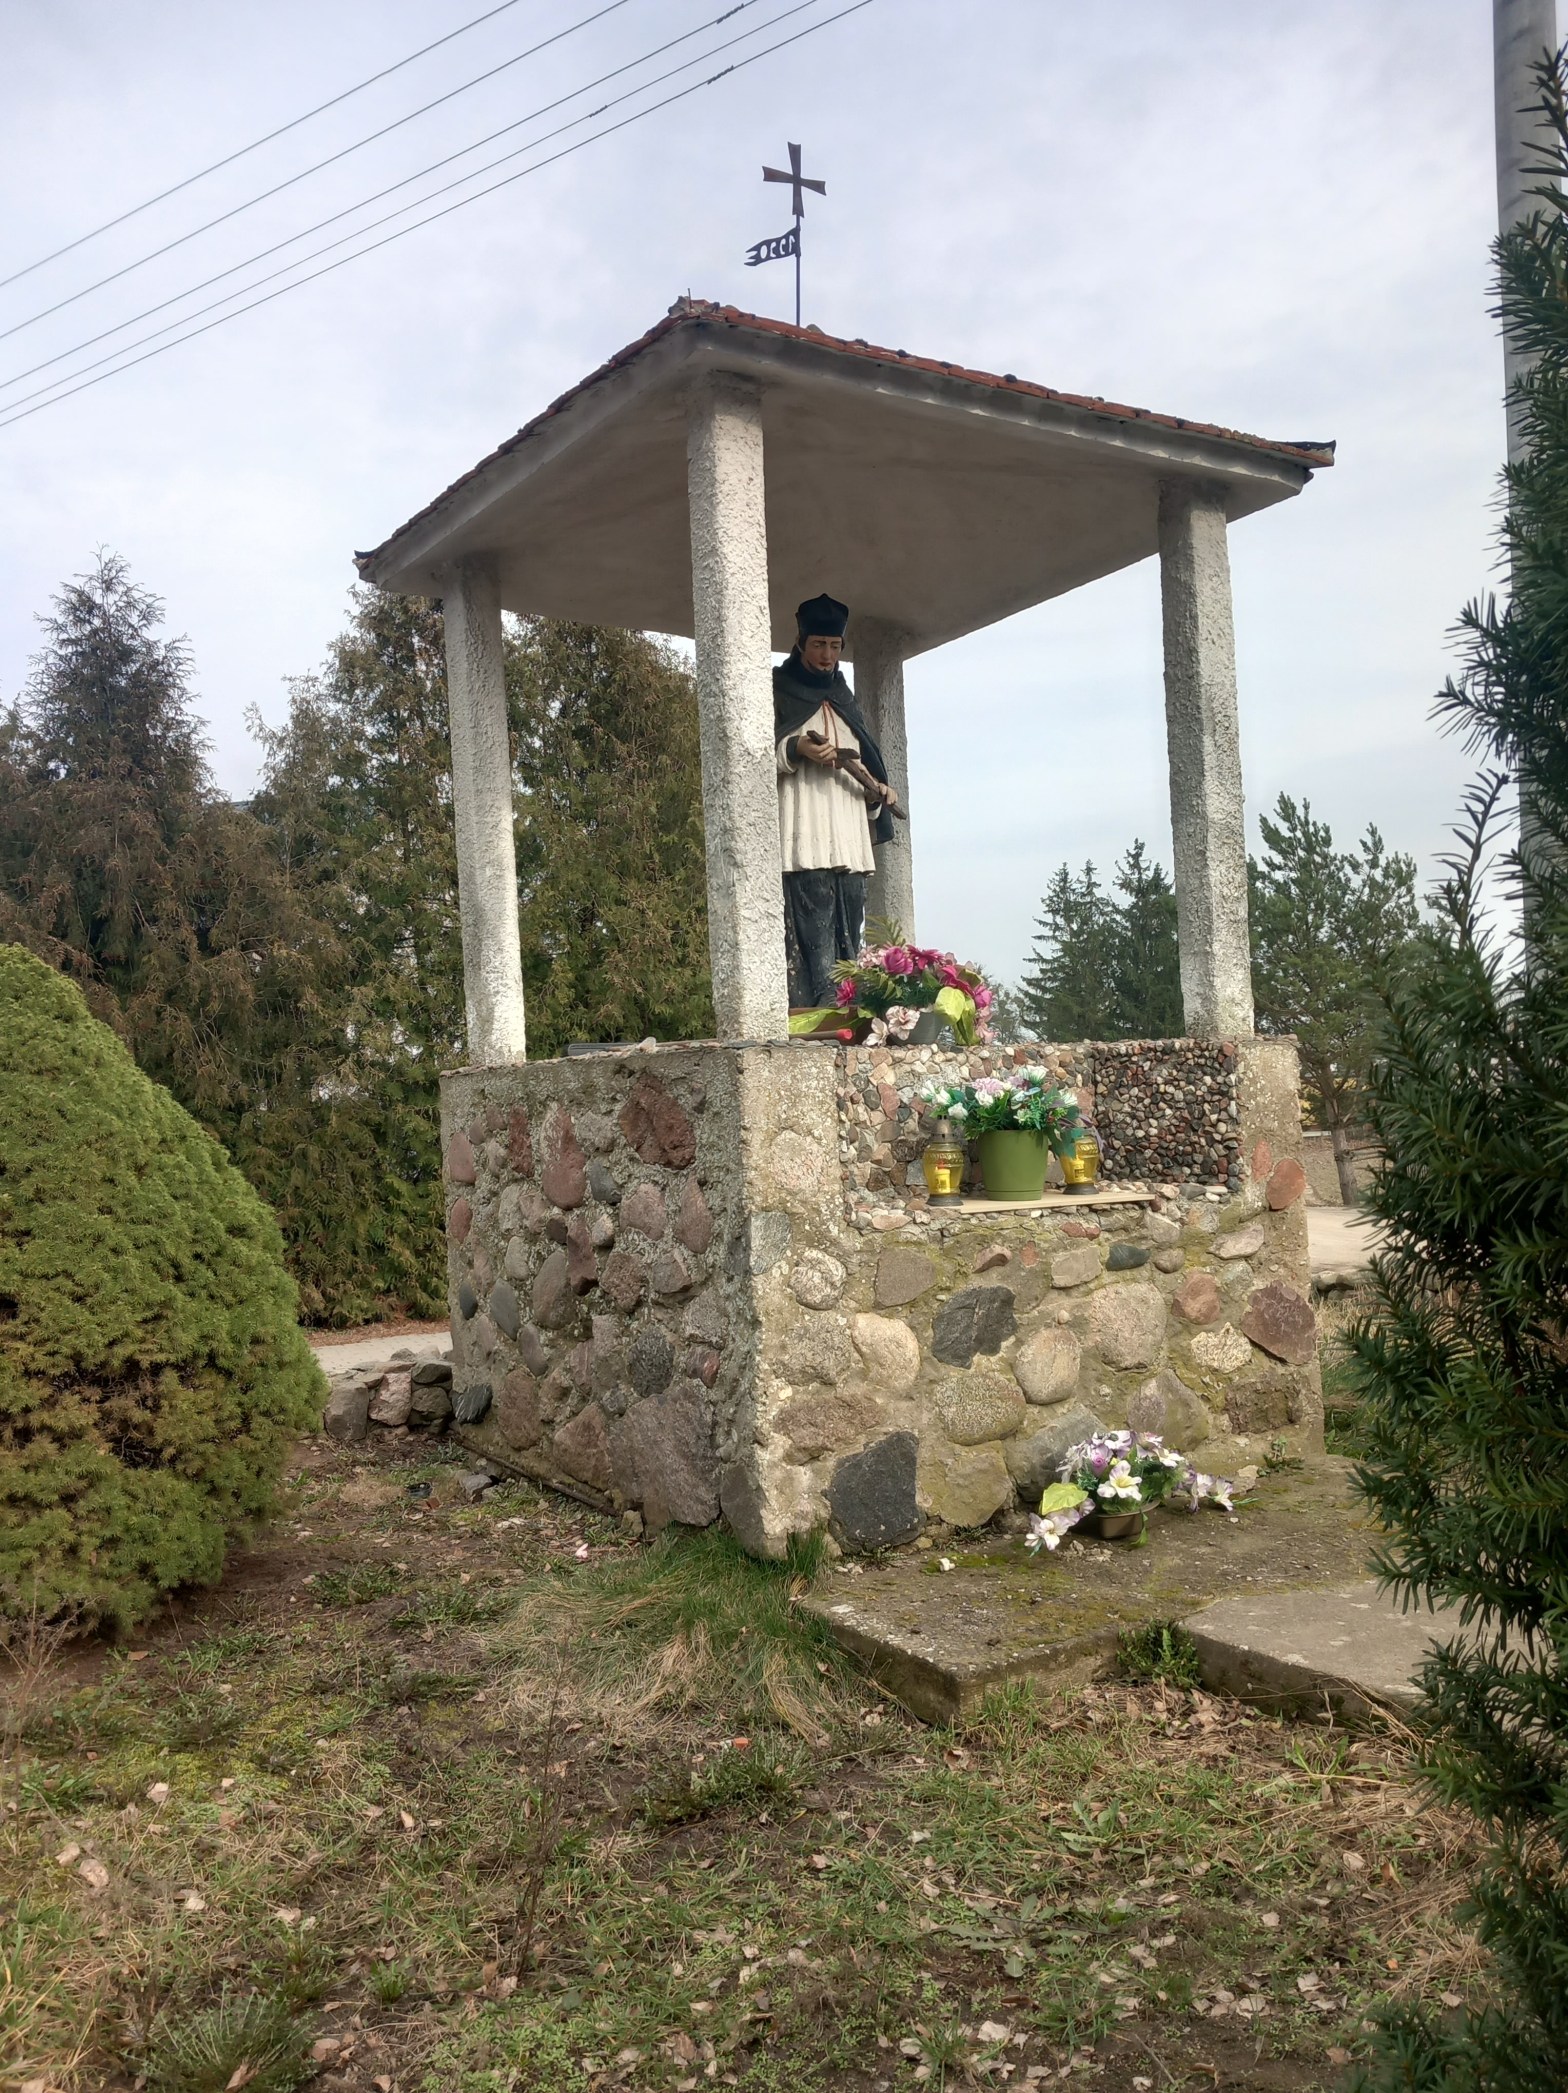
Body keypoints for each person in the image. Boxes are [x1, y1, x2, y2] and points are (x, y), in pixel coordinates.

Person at [773, 593, 901, 1008]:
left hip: (846, 824)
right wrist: (797, 748)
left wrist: (876, 792)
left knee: (851, 900)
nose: (827, 655)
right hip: (805, 815)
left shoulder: (844, 696)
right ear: (800, 642)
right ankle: (820, 995)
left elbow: (865, 759)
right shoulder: (778, 689)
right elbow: (752, 758)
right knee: (815, 899)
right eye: (818, 645)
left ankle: (850, 993)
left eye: (834, 646)